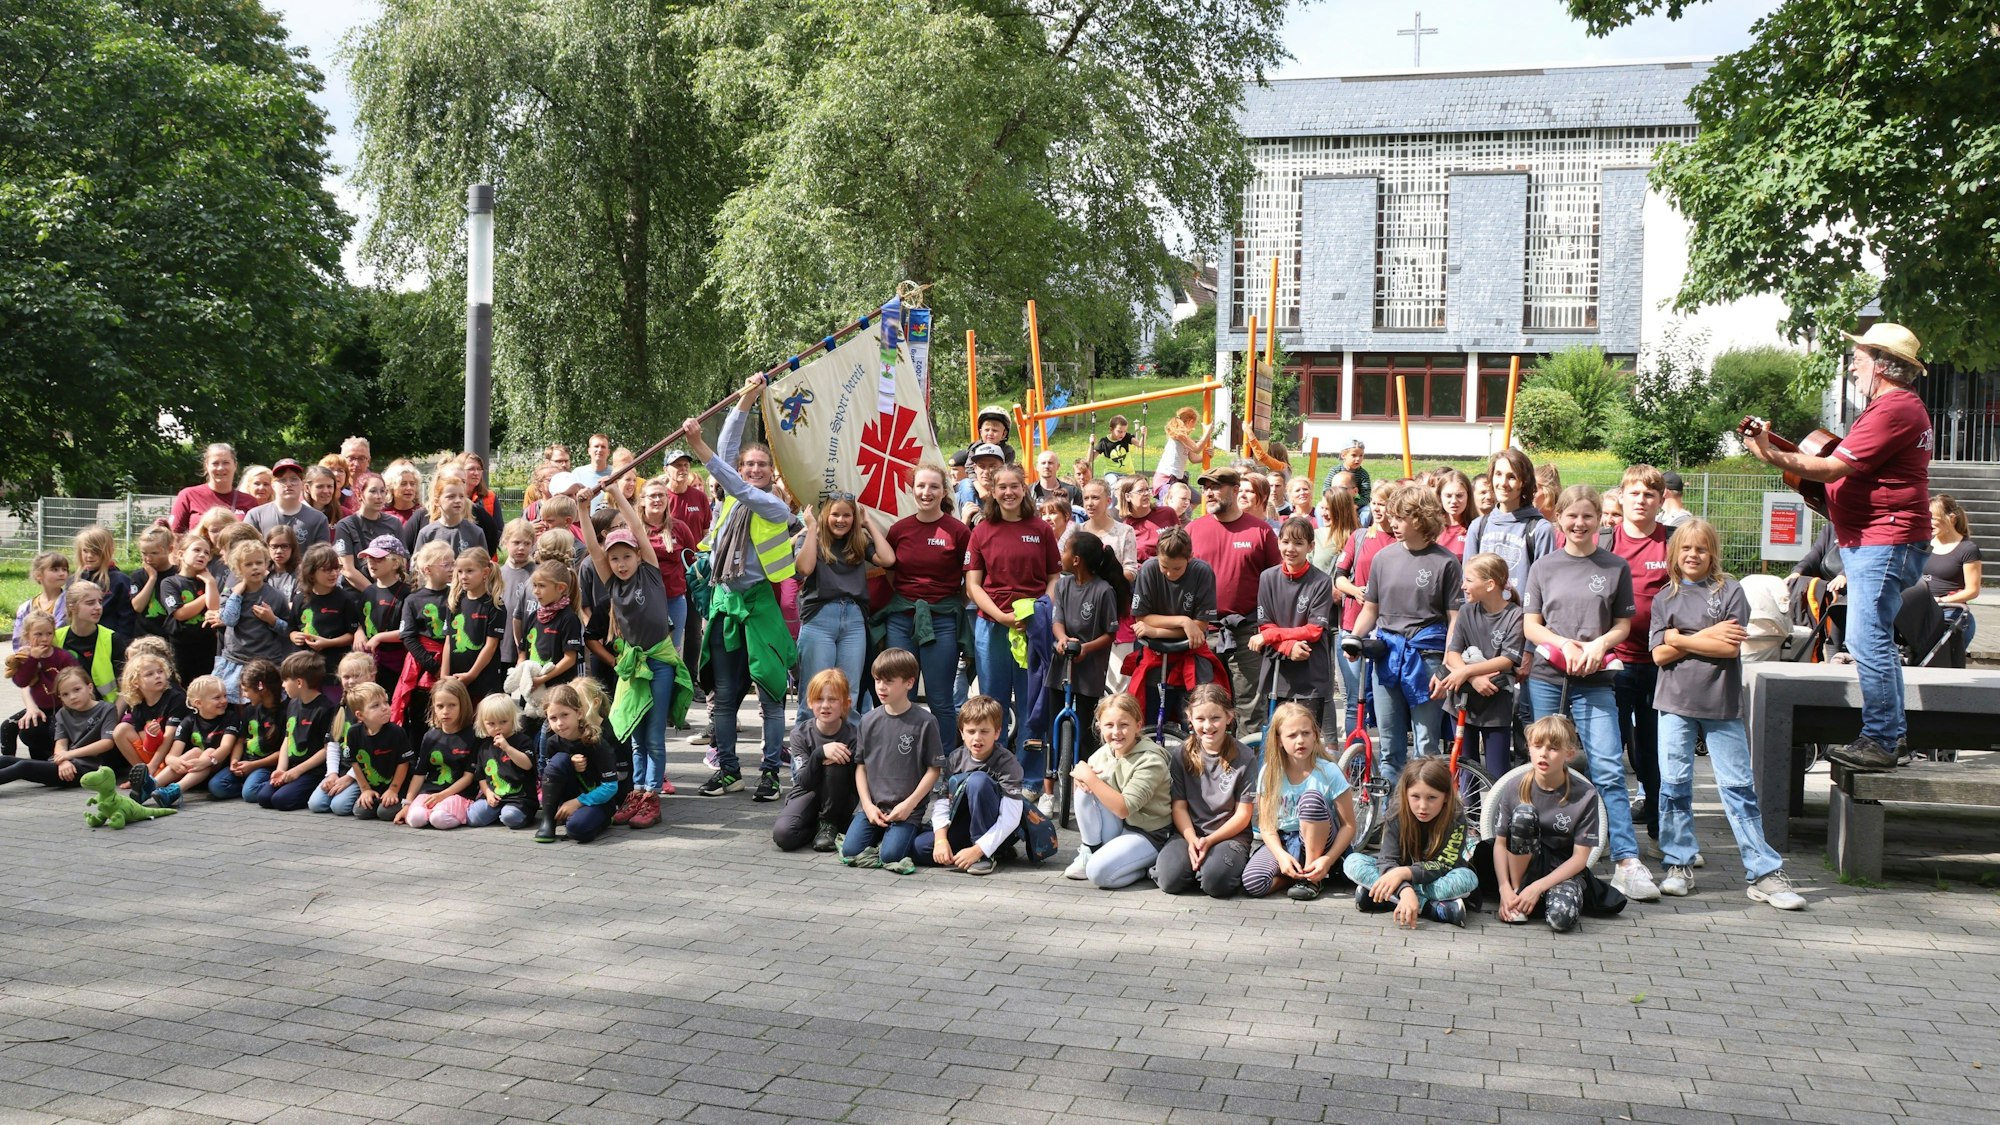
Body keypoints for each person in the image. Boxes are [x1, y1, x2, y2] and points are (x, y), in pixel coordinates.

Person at [1742, 323, 1932, 771]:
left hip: (1884, 539)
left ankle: (1882, 740)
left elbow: (1829, 469)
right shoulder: (1896, 407)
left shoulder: (1893, 409)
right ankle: (1892, 736)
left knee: (1868, 640)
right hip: (1878, 539)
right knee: (1871, 638)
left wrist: (1770, 454)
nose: (1852, 364)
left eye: (1859, 357)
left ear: (1882, 365)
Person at [1649, 519, 1807, 911]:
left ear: (1712, 553)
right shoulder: (1663, 598)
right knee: (1674, 785)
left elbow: (1729, 648)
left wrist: (1677, 637)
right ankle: (1678, 863)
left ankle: (1763, 872)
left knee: (1738, 789)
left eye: (1701, 549)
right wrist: (1696, 638)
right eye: (1685, 549)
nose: (1692, 555)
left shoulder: (1731, 591)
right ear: (1674, 554)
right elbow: (1657, 655)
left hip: (1721, 705)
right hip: (1673, 704)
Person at [1522, 483, 1657, 902]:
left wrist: (1599, 645)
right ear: (1559, 519)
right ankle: (1539, 854)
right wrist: (1565, 645)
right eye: (1572, 516)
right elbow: (1531, 625)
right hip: (1548, 677)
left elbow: (1622, 624)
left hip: (1597, 680)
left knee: (1609, 769)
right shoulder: (1544, 567)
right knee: (1544, 765)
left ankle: (1627, 860)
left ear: (1601, 520)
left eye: (1588, 516)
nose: (1580, 523)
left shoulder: (1614, 566)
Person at [684, 378, 800, 799]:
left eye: (761, 467)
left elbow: (734, 482)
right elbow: (730, 446)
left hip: (760, 607)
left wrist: (700, 446)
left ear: (772, 473)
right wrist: (747, 399)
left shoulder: (771, 504)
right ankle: (729, 769)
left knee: (770, 695)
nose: (752, 470)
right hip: (725, 604)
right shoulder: (731, 499)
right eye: (747, 465)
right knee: (728, 694)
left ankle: (770, 772)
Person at [577, 484, 693, 825]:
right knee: (635, 732)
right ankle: (637, 790)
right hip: (633, 665)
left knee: (654, 733)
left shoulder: (651, 572)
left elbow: (638, 529)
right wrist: (583, 510)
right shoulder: (612, 581)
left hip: (658, 661)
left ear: (639, 556)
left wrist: (619, 495)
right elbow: (592, 547)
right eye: (615, 558)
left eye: (627, 556)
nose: (621, 563)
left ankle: (651, 794)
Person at [1348, 487, 1462, 784]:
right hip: (1387, 657)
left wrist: (1447, 666)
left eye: (1401, 517)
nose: (1392, 522)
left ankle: (1426, 818)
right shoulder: (1383, 558)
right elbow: (1370, 610)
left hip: (1427, 659)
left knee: (1426, 746)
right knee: (1390, 747)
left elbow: (1455, 620)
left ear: (1421, 518)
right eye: (1393, 516)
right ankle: (1391, 818)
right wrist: (1355, 638)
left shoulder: (1446, 562)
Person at [964, 462, 1061, 790]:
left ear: (1024, 488)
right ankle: (994, 773)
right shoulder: (981, 531)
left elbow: (1053, 577)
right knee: (993, 704)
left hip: (1033, 629)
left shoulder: (1041, 529)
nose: (1008, 492)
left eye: (1014, 486)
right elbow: (973, 586)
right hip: (993, 627)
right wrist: (1001, 616)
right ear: (992, 490)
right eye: (1001, 487)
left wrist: (1041, 610)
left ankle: (1030, 780)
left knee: (1033, 703)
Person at [881, 464, 973, 755]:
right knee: (898, 693)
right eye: (921, 486)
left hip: (942, 620)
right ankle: (899, 757)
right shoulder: (900, 529)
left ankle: (942, 761)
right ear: (912, 490)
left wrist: (945, 602)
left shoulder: (957, 531)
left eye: (933, 486)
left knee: (940, 697)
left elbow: (967, 579)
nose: (926, 492)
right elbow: (891, 572)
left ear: (944, 491)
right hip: (901, 620)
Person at [1604, 465, 1673, 843]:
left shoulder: (1674, 541)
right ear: (1622, 497)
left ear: (1661, 501)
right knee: (1609, 751)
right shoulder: (1604, 542)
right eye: (1634, 493)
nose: (1641, 500)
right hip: (1612, 664)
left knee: (1653, 752)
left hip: (1661, 665)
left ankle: (1663, 832)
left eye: (1649, 494)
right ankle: (1610, 834)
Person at [1485, 715, 1601, 931]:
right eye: (1537, 746)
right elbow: (1500, 844)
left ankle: (1535, 898)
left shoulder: (1586, 794)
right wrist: (1505, 889)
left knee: (1561, 920)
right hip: (1520, 865)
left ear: (1569, 754)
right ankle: (1518, 895)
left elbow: (1579, 859)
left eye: (1554, 748)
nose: (1544, 753)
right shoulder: (1514, 786)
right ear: (1528, 747)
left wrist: (1539, 887)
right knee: (1524, 814)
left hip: (1560, 868)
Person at [1186, 468, 1280, 731]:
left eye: (1216, 487)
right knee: (1206, 710)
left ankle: (1249, 771)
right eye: (1205, 488)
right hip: (1203, 632)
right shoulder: (1193, 529)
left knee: (1250, 711)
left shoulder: (1260, 532)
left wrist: (1269, 629)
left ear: (1236, 490)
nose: (1209, 493)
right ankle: (1207, 770)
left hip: (1247, 632)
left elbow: (1276, 583)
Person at [839, 648, 945, 875]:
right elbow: (861, 767)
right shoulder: (868, 720)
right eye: (877, 680)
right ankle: (884, 834)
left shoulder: (926, 721)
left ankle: (922, 831)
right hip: (873, 806)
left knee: (891, 855)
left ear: (909, 683)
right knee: (850, 851)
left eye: (888, 681)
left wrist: (909, 806)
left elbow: (933, 770)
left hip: (907, 810)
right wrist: (866, 805)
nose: (881, 687)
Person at [1342, 757, 1477, 927]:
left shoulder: (1456, 818)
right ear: (1405, 793)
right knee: (1353, 862)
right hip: (1400, 880)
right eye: (1415, 796)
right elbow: (1387, 860)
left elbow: (1444, 865)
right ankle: (1430, 908)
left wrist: (1404, 873)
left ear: (1445, 797)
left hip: (1436, 879)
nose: (1422, 806)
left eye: (1432, 798)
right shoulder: (1396, 812)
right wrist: (1405, 890)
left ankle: (1386, 898)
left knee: (1467, 878)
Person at [1240, 702, 1354, 900]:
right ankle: (1296, 877)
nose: (1300, 740)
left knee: (1310, 801)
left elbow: (1349, 826)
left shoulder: (1329, 771)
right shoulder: (1269, 772)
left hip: (1323, 841)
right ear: (1279, 740)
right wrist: (1281, 856)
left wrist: (1327, 860)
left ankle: (1312, 879)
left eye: (1306, 733)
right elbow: (1266, 825)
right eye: (1292, 735)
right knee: (1253, 882)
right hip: (1286, 839)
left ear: (1315, 735)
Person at [1048, 530, 1126, 815]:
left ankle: (1091, 782)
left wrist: (1084, 648)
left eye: (1065, 550)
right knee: (1052, 723)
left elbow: (1109, 634)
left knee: (1087, 727)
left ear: (1077, 559)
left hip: (1089, 666)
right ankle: (1050, 780)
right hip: (1061, 665)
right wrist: (1061, 640)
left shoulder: (1103, 590)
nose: (1062, 555)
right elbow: (1057, 620)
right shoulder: (1064, 585)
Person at [795, 495, 893, 720]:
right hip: (820, 617)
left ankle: (849, 750)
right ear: (825, 516)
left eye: (847, 515)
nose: (841, 520)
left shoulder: (858, 541)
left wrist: (868, 523)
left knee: (849, 692)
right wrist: (811, 529)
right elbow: (805, 568)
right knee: (816, 689)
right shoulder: (811, 538)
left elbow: (887, 559)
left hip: (854, 619)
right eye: (835, 514)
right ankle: (806, 751)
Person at [1152, 684, 1255, 898]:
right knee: (1169, 880)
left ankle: (1208, 870)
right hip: (1190, 832)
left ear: (1229, 717)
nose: (1208, 726)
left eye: (1215, 718)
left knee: (1217, 883)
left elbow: (1243, 815)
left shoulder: (1245, 757)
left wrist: (1209, 841)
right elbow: (1179, 807)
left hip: (1229, 836)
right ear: (1189, 718)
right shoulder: (1181, 754)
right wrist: (1192, 840)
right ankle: (1194, 868)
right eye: (1200, 719)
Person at [1063, 694, 1173, 889]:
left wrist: (1088, 777)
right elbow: (1085, 793)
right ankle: (1090, 849)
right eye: (1109, 725)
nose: (1116, 732)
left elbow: (1124, 808)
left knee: (1098, 874)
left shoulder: (1150, 760)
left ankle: (1143, 869)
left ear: (1138, 726)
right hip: (1120, 825)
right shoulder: (1104, 752)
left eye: (1124, 725)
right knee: (1084, 788)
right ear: (1099, 726)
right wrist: (1082, 777)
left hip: (1149, 834)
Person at [919, 694, 1027, 875]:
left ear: (998, 732)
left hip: (995, 825)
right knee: (920, 848)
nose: (977, 738)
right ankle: (987, 851)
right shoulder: (955, 758)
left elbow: (1011, 818)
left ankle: (986, 854)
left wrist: (978, 850)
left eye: (985, 731)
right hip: (964, 821)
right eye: (971, 731)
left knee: (978, 780)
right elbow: (943, 802)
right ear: (961, 732)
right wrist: (940, 841)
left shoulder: (1007, 762)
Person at [1440, 553, 1524, 779]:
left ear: (1490, 584)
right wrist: (1471, 678)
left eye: (1469, 580)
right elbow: (1453, 653)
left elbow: (1507, 660)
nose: (1463, 585)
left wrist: (1467, 670)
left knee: (1497, 772)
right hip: (1462, 698)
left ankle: (1496, 814)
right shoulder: (1467, 611)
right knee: (1465, 768)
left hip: (1496, 702)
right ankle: (1470, 814)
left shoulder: (1515, 615)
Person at [1253, 517, 1335, 730]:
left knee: (1306, 739)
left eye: (1298, 543)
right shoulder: (1267, 578)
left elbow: (1314, 630)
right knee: (1278, 739)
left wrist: (1270, 637)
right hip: (1277, 671)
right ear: (1278, 542)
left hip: (1311, 671)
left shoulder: (1322, 581)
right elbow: (1265, 624)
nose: (1291, 549)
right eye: (1286, 542)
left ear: (1310, 546)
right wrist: (1288, 647)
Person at [772, 669, 862, 852]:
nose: (825, 705)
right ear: (810, 702)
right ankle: (818, 828)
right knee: (783, 836)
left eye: (833, 699)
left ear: (846, 703)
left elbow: (857, 783)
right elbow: (803, 781)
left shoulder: (855, 735)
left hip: (840, 798)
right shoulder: (800, 734)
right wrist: (819, 754)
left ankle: (830, 822)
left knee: (838, 757)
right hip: (807, 792)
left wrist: (834, 756)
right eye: (819, 699)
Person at [134, 674, 238, 807]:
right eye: (217, 697)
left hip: (218, 767)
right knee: (195, 751)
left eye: (225, 696)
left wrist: (205, 761)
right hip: (194, 771)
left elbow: (226, 748)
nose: (224, 701)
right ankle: (150, 786)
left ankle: (176, 790)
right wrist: (175, 761)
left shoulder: (231, 717)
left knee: (209, 751)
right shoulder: (189, 721)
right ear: (198, 703)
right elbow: (171, 755)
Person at [254, 652, 337, 812]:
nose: (283, 685)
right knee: (264, 797)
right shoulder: (292, 704)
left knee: (281, 801)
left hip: (312, 771)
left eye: (286, 680)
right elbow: (288, 737)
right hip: (291, 768)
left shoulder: (326, 708)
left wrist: (297, 771)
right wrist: (281, 769)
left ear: (299, 682)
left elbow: (327, 749)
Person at [215, 539, 294, 705]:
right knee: (234, 706)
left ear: (266, 564)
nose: (255, 567)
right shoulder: (233, 594)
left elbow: (288, 630)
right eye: (249, 564)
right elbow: (229, 619)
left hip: (266, 662)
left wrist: (272, 620)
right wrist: (236, 595)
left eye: (259, 562)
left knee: (265, 705)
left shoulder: (276, 596)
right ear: (238, 568)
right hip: (236, 660)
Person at [394, 541, 455, 742]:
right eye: (446, 564)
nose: (452, 569)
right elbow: (408, 636)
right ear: (428, 570)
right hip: (423, 668)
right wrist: (432, 666)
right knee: (421, 716)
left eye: (453, 563)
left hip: (451, 661)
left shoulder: (457, 595)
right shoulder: (413, 600)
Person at [400, 678, 478, 829]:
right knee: (416, 819)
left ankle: (454, 811)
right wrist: (407, 804)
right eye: (440, 706)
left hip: (459, 794)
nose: (445, 711)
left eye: (452, 705)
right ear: (433, 708)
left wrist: (443, 796)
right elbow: (420, 773)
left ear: (463, 705)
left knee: (439, 818)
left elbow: (469, 777)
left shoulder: (473, 736)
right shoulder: (430, 736)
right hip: (431, 791)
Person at [208, 659, 284, 801]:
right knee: (216, 786)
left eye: (246, 690)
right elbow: (240, 740)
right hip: (246, 762)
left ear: (261, 687)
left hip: (265, 765)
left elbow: (283, 752)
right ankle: (246, 785)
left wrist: (254, 765)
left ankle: (269, 785)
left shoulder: (284, 712)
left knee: (250, 793)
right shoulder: (250, 710)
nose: (244, 695)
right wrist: (235, 761)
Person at [334, 682, 410, 820]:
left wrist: (393, 790)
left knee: (385, 813)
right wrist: (365, 790)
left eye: (386, 702)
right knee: (361, 812)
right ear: (361, 715)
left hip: (396, 785)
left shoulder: (397, 732)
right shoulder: (353, 733)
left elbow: (404, 763)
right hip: (373, 785)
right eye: (375, 706)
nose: (384, 708)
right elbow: (354, 762)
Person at [444, 548, 505, 706]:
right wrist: (444, 676)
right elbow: (449, 642)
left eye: (470, 571)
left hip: (483, 680)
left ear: (485, 572)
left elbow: (490, 647)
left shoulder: (495, 605)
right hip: (455, 679)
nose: (463, 576)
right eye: (460, 572)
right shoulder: (454, 602)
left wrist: (471, 675)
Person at [467, 694, 537, 829]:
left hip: (520, 799)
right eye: (491, 724)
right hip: (495, 796)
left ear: (513, 719)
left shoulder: (523, 740)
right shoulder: (484, 747)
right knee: (473, 818)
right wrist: (487, 793)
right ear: (483, 723)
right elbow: (481, 776)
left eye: (503, 722)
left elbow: (527, 764)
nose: (498, 727)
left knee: (510, 817)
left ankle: (511, 814)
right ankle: (497, 812)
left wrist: (507, 748)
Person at [1924, 494, 1983, 646]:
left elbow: (1972, 590)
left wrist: (1942, 600)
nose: (1928, 523)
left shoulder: (1967, 549)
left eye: (1933, 518)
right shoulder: (1923, 544)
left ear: (1951, 518)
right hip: (1920, 610)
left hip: (1949, 611)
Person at [109, 651, 183, 772]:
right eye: (149, 674)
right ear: (135, 682)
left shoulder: (175, 698)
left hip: (174, 754)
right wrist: (151, 737)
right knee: (121, 730)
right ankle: (140, 772)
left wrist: (153, 765)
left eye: (160, 671)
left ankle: (151, 773)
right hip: (155, 753)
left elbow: (169, 737)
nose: (157, 676)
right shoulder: (138, 705)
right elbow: (148, 748)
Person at [55, 582, 127, 704]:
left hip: (105, 709)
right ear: (72, 607)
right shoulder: (56, 638)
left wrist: (112, 717)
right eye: (90, 603)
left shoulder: (112, 639)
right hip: (64, 710)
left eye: (100, 602)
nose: (98, 607)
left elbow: (126, 688)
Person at [356, 538, 412, 690]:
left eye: (379, 558)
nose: (372, 563)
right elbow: (360, 620)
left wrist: (379, 637)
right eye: (369, 558)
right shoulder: (368, 591)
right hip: (368, 661)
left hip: (394, 663)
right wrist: (359, 632)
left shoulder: (408, 593)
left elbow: (409, 630)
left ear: (395, 563)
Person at [169, 443, 259, 533]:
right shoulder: (188, 495)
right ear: (206, 466)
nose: (220, 468)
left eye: (226, 463)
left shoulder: (250, 501)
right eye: (215, 463)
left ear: (235, 465)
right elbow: (175, 534)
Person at [334, 476, 402, 591]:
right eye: (373, 491)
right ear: (359, 494)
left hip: (390, 591)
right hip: (358, 593)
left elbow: (401, 560)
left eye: (382, 491)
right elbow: (347, 569)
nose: (379, 496)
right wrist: (374, 592)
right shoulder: (346, 526)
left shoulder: (394, 523)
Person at [245, 459, 332, 547]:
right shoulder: (255, 516)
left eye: (294, 479)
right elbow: (245, 551)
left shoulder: (318, 519)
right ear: (273, 485)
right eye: (282, 480)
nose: (288, 484)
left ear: (302, 484)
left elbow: (322, 557)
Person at [12, 552, 69, 647]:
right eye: (55, 570)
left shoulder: (70, 603)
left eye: (64, 569)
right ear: (38, 575)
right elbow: (19, 638)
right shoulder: (26, 608)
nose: (62, 573)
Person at [1153, 407, 1211, 499]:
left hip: (1177, 479)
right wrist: (1207, 432)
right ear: (1190, 421)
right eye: (1194, 424)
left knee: (1196, 499)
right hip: (1166, 479)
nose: (1193, 428)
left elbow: (1194, 458)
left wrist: (1207, 456)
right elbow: (1196, 449)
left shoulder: (1185, 438)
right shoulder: (1178, 435)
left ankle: (1182, 513)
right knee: (1171, 507)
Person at [1322, 439, 1372, 525]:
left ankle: (1360, 533)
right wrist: (1329, 501)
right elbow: (1326, 489)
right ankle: (1324, 529)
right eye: (1354, 455)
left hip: (1353, 502)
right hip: (1334, 500)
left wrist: (1355, 505)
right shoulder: (1335, 470)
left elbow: (1366, 496)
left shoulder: (1363, 474)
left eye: (1361, 455)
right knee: (1320, 508)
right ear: (1343, 455)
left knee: (1367, 511)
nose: (1358, 459)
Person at [1436, 470, 1474, 557]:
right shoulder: (1431, 528)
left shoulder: (1476, 527)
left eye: (1459, 495)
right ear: (1440, 496)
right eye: (1448, 496)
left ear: (1468, 496)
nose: (1454, 501)